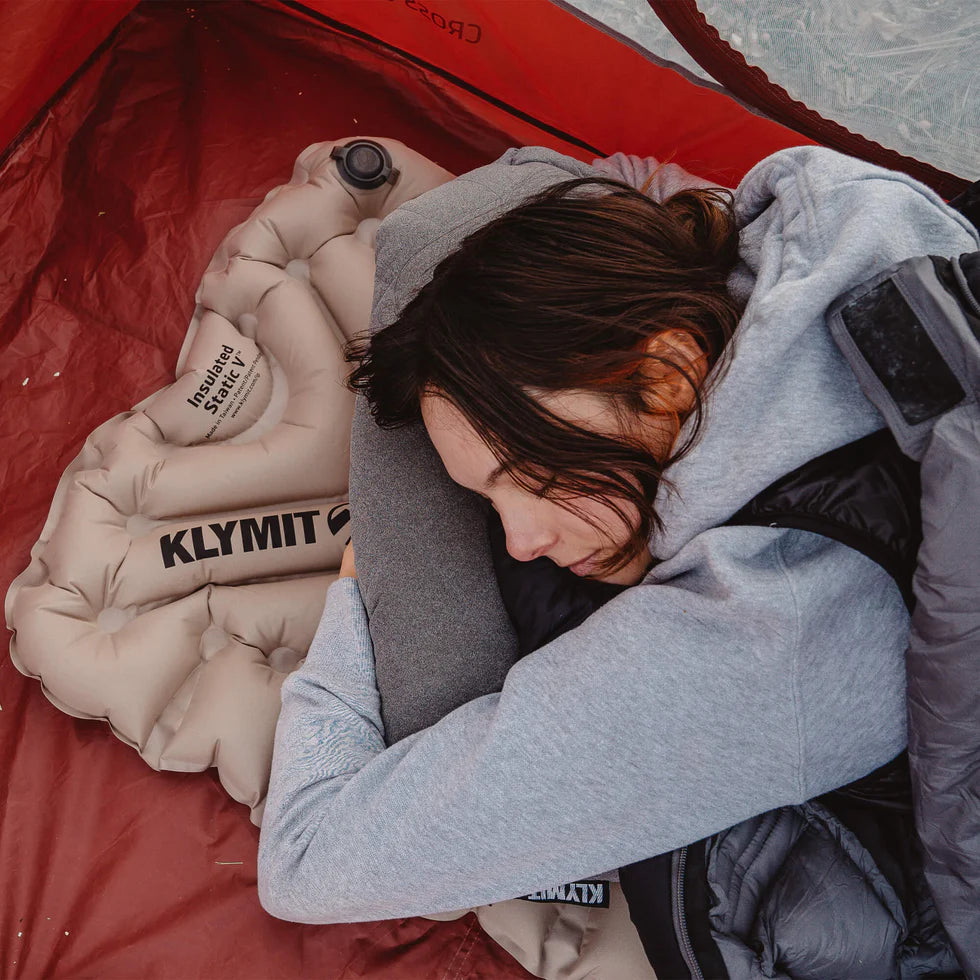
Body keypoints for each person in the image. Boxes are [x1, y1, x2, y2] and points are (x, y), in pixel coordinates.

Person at [256, 144, 979, 949]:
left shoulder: (762, 637)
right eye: (485, 499)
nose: (522, 538)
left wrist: (354, 605)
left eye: (530, 472)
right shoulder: (856, 239)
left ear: (667, 372)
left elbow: (307, 861)